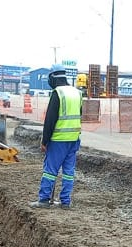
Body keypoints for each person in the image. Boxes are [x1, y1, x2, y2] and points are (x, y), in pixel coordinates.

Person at [30, 64, 82, 209]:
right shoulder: (77, 93)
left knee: (50, 170)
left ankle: (44, 199)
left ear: (52, 77)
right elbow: (80, 114)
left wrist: (44, 141)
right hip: (73, 139)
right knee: (68, 172)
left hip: (58, 140)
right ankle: (65, 202)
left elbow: (50, 120)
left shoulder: (57, 93)